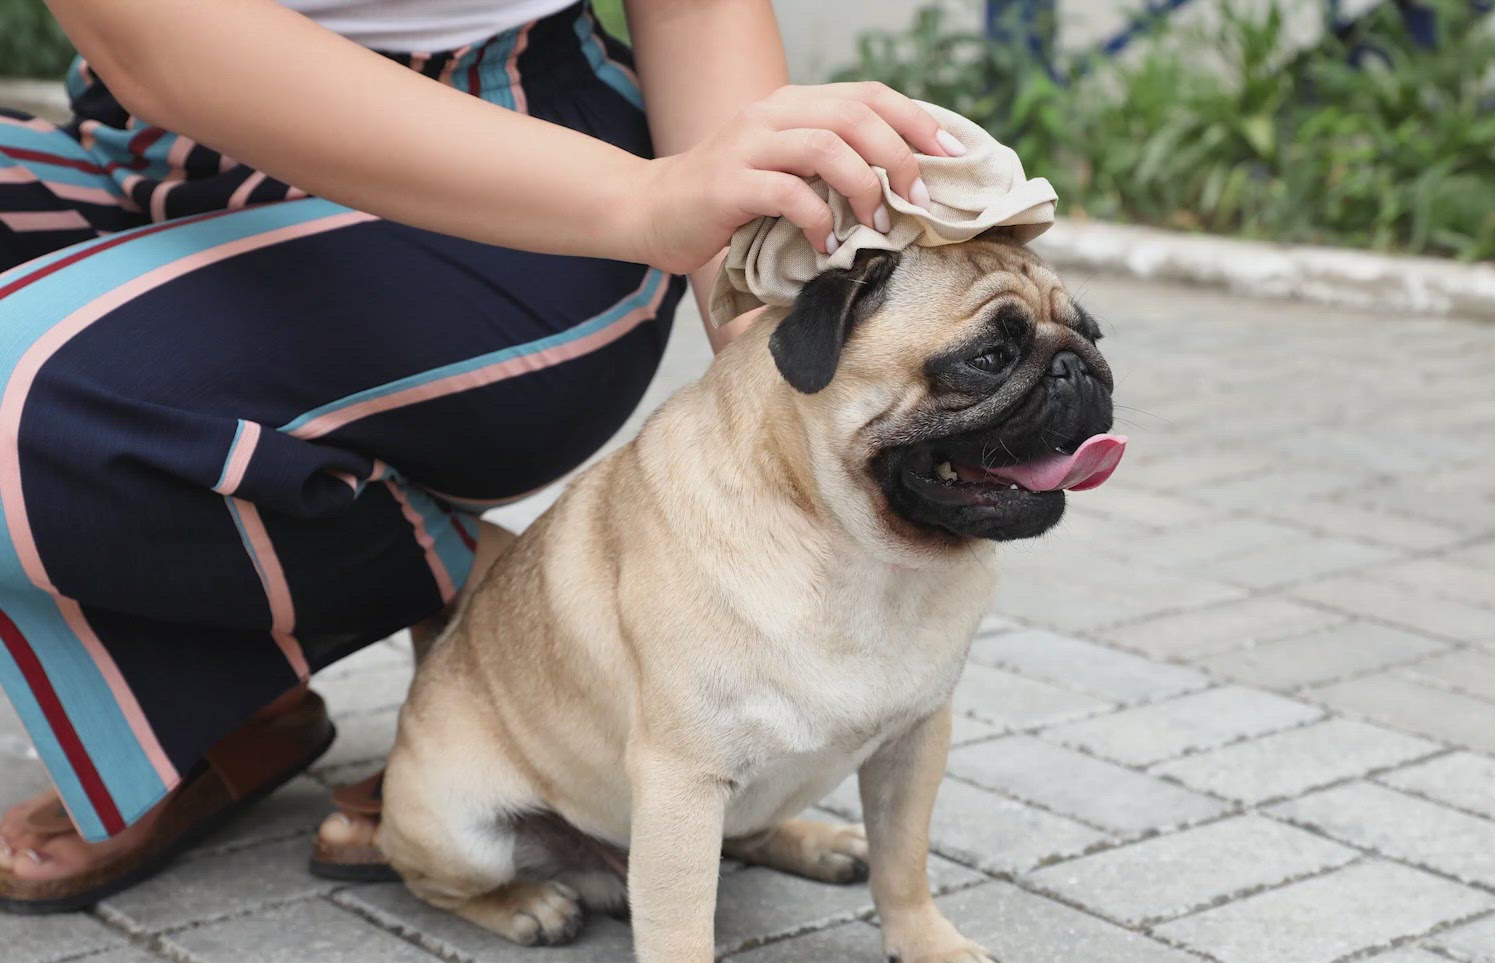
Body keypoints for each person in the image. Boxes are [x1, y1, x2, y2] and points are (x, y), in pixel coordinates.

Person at [0, 0, 960, 912]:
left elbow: (692, 11)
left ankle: (490, 672)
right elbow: (156, 40)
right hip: (141, 131)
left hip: (515, 157)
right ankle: (454, 613)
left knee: (23, 389)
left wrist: (753, 312)